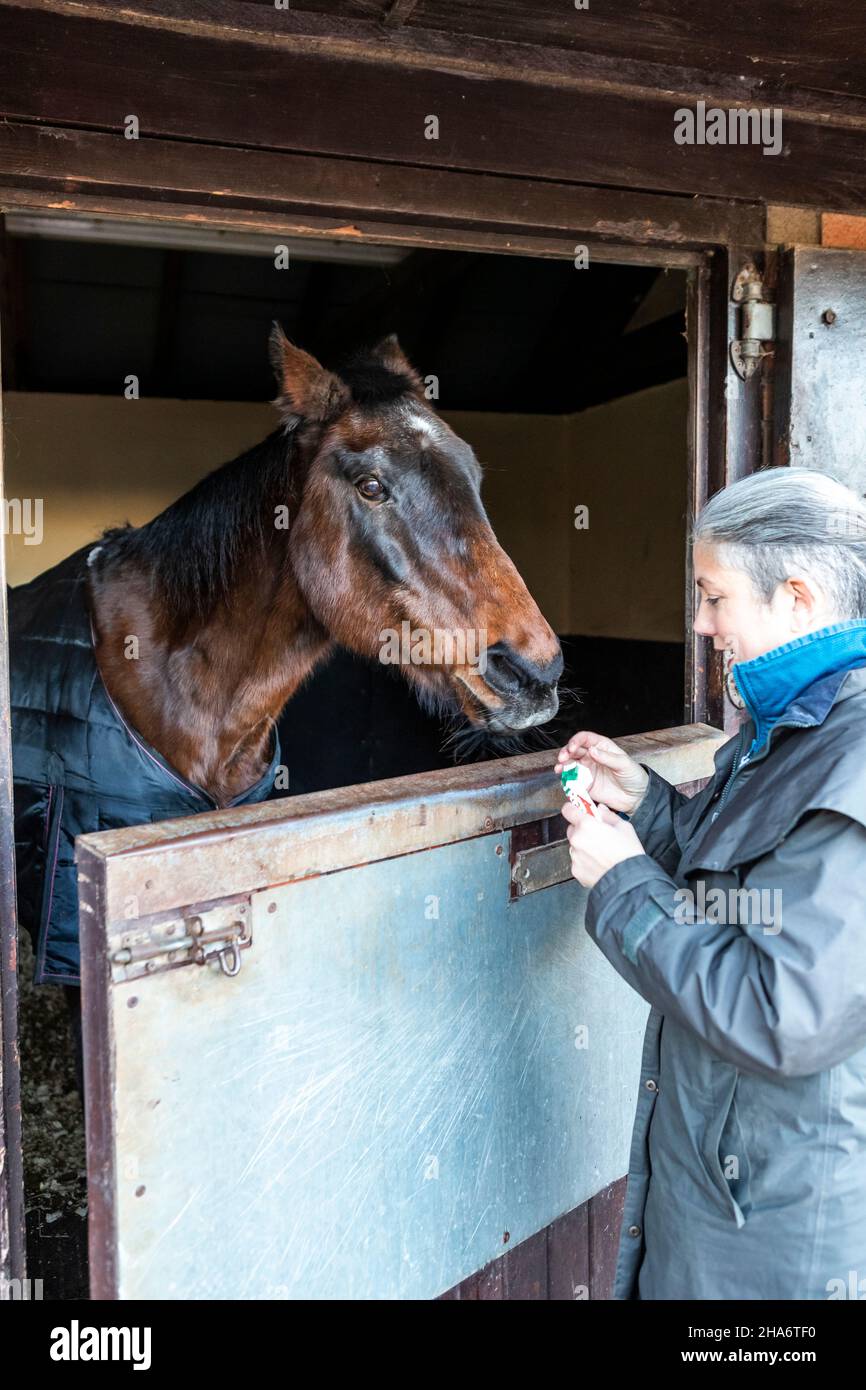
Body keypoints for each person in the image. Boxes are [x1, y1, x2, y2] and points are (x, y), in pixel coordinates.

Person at [555, 466, 866, 1301]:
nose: (699, 624)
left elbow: (783, 1013)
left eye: (714, 596)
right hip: (734, 1197)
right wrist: (647, 808)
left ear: (797, 597)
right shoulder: (805, 724)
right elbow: (748, 892)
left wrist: (622, 882)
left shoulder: (852, 755)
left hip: (776, 1236)